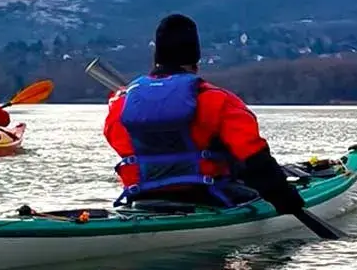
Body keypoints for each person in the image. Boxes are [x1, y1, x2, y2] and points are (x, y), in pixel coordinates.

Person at [102, 13, 304, 214]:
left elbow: (118, 141)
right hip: (210, 195)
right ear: (195, 63)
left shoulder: (122, 102)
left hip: (142, 196)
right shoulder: (218, 100)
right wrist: (284, 197)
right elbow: (254, 156)